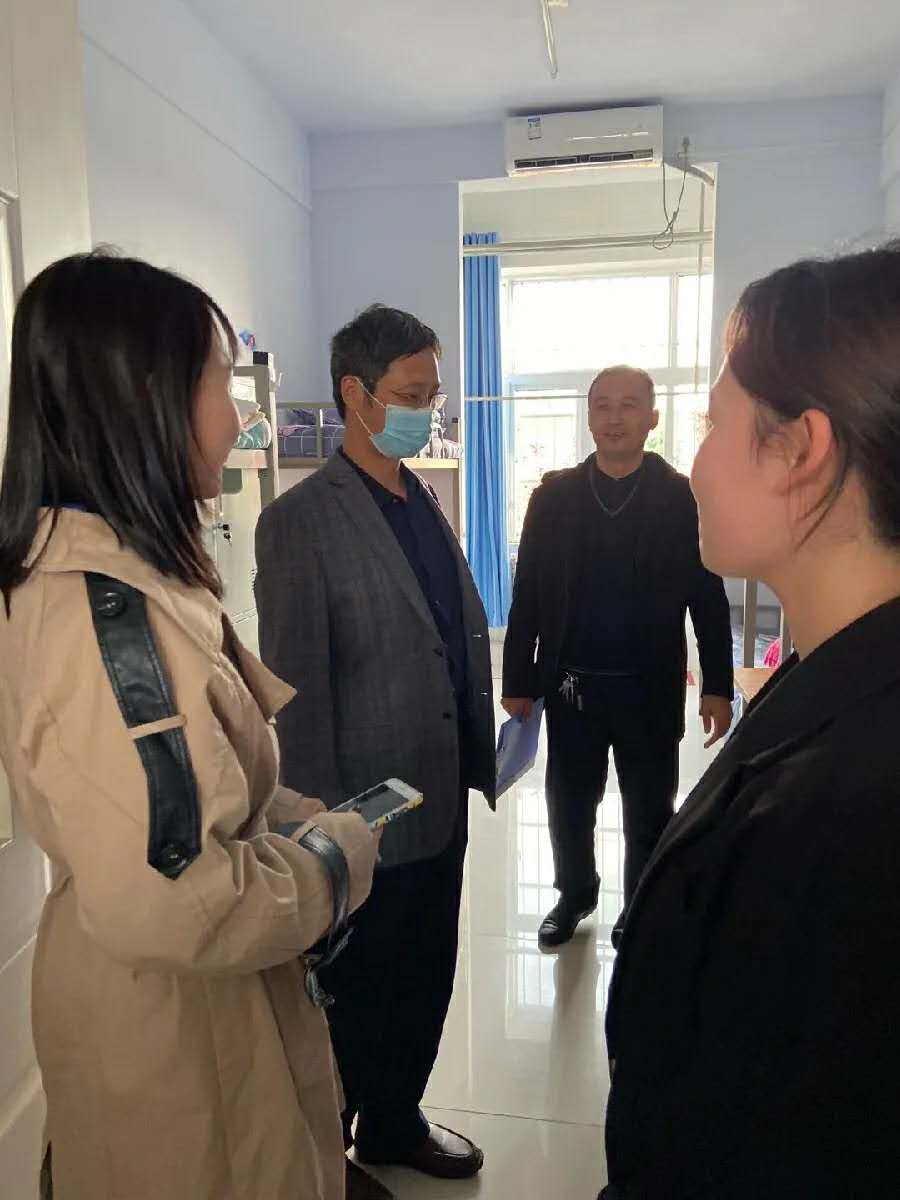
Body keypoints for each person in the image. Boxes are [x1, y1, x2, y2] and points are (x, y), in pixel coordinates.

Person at [0, 251, 381, 1200]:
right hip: (179, 1027)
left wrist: (277, 810)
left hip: (187, 1000)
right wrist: (332, 862)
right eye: (222, 381)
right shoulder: (104, 620)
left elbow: (168, 786)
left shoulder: (129, 579)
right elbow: (179, 903)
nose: (242, 419)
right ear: (148, 395)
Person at [601, 242, 900, 1198]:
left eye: (710, 424)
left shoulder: (845, 809)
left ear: (801, 451)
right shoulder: (830, 670)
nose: (693, 463)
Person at [254, 304, 496, 1200]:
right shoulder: (300, 522)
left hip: (439, 789)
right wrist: (319, 832)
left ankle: (395, 1122)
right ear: (355, 394)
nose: (426, 412)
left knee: (427, 967)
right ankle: (331, 1147)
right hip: (360, 811)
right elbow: (296, 690)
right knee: (358, 988)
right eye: (410, 395)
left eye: (432, 395)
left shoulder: (419, 496)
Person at [503, 366, 734, 950]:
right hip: (572, 687)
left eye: (629, 405)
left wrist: (717, 684)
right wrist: (518, 679)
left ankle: (640, 904)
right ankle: (574, 894)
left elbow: (707, 597)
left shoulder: (682, 498)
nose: (614, 417)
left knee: (649, 806)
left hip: (649, 689)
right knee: (568, 802)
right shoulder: (552, 498)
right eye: (602, 405)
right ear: (588, 417)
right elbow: (527, 595)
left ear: (652, 418)